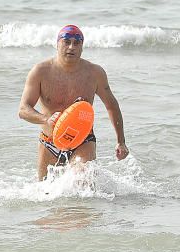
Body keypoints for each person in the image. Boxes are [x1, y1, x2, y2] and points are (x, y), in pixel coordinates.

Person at [18, 24, 129, 180]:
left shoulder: (94, 73)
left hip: (83, 141)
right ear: (57, 44)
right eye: (66, 42)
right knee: (44, 193)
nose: (71, 47)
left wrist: (121, 141)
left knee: (82, 182)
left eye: (77, 43)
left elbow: (111, 105)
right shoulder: (40, 72)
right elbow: (23, 109)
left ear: (82, 47)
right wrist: (45, 119)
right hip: (49, 142)